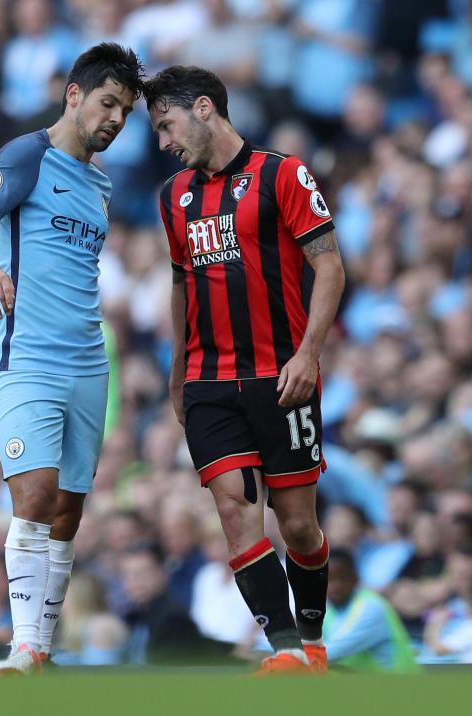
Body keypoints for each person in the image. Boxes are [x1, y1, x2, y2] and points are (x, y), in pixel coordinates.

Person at [0, 42, 144, 676]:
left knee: (68, 509)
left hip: (87, 362)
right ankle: (24, 647)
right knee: (33, 494)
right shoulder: (28, 154)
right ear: (74, 95)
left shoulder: (102, 183)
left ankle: (42, 645)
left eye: (125, 110)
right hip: (25, 356)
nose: (115, 119)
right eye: (108, 103)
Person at [145, 65, 346, 674]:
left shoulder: (283, 174)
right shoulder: (173, 196)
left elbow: (329, 265)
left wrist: (309, 353)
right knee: (235, 512)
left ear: (204, 108)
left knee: (299, 527)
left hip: (280, 377)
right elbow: (183, 286)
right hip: (209, 382)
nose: (163, 143)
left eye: (167, 124)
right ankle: (284, 651)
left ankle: (312, 639)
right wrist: (178, 374)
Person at [321, 548, 421, 673]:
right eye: (328, 579)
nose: (335, 586)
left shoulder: (371, 608)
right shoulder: (328, 610)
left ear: (355, 578)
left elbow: (327, 654)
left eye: (342, 578)